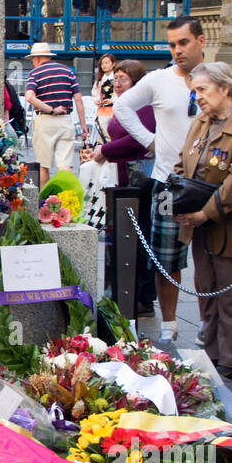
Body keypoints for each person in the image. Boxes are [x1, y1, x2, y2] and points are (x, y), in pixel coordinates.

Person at [112, 17, 206, 343]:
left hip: (210, 184)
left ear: (201, 41)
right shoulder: (158, 79)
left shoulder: (219, 78)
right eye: (172, 44)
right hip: (167, 183)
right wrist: (148, 140)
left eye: (184, 42)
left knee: (210, 260)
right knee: (166, 255)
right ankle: (169, 324)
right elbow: (122, 106)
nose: (178, 50)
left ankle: (209, 326)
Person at [173, 62, 232, 379]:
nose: (198, 98)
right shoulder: (201, 122)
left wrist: (203, 213)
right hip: (199, 225)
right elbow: (184, 161)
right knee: (206, 288)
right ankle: (210, 354)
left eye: (203, 90)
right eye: (195, 91)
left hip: (231, 227)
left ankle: (231, 360)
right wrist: (176, 198)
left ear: (225, 88)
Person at [91, 58, 157, 316]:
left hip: (140, 177)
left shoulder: (145, 107)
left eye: (123, 79)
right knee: (124, 236)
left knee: (140, 237)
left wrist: (105, 150)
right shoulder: (124, 103)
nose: (117, 83)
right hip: (122, 176)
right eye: (115, 78)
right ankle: (123, 289)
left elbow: (137, 141)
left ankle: (143, 296)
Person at [24, 42, 87, 189]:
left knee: (43, 165)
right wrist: (83, 125)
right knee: (65, 166)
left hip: (45, 121)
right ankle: (66, 200)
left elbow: (29, 97)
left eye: (33, 59)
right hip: (65, 121)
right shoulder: (67, 71)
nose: (33, 63)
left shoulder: (35, 73)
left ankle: (43, 201)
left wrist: (50, 109)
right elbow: (78, 98)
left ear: (38, 58)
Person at [91, 53, 116, 140]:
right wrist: (97, 100)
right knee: (103, 129)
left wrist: (112, 100)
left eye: (106, 63)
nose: (104, 65)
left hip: (115, 107)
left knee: (113, 130)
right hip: (103, 107)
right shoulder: (100, 78)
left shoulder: (117, 77)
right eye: (102, 63)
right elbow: (95, 92)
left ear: (113, 64)